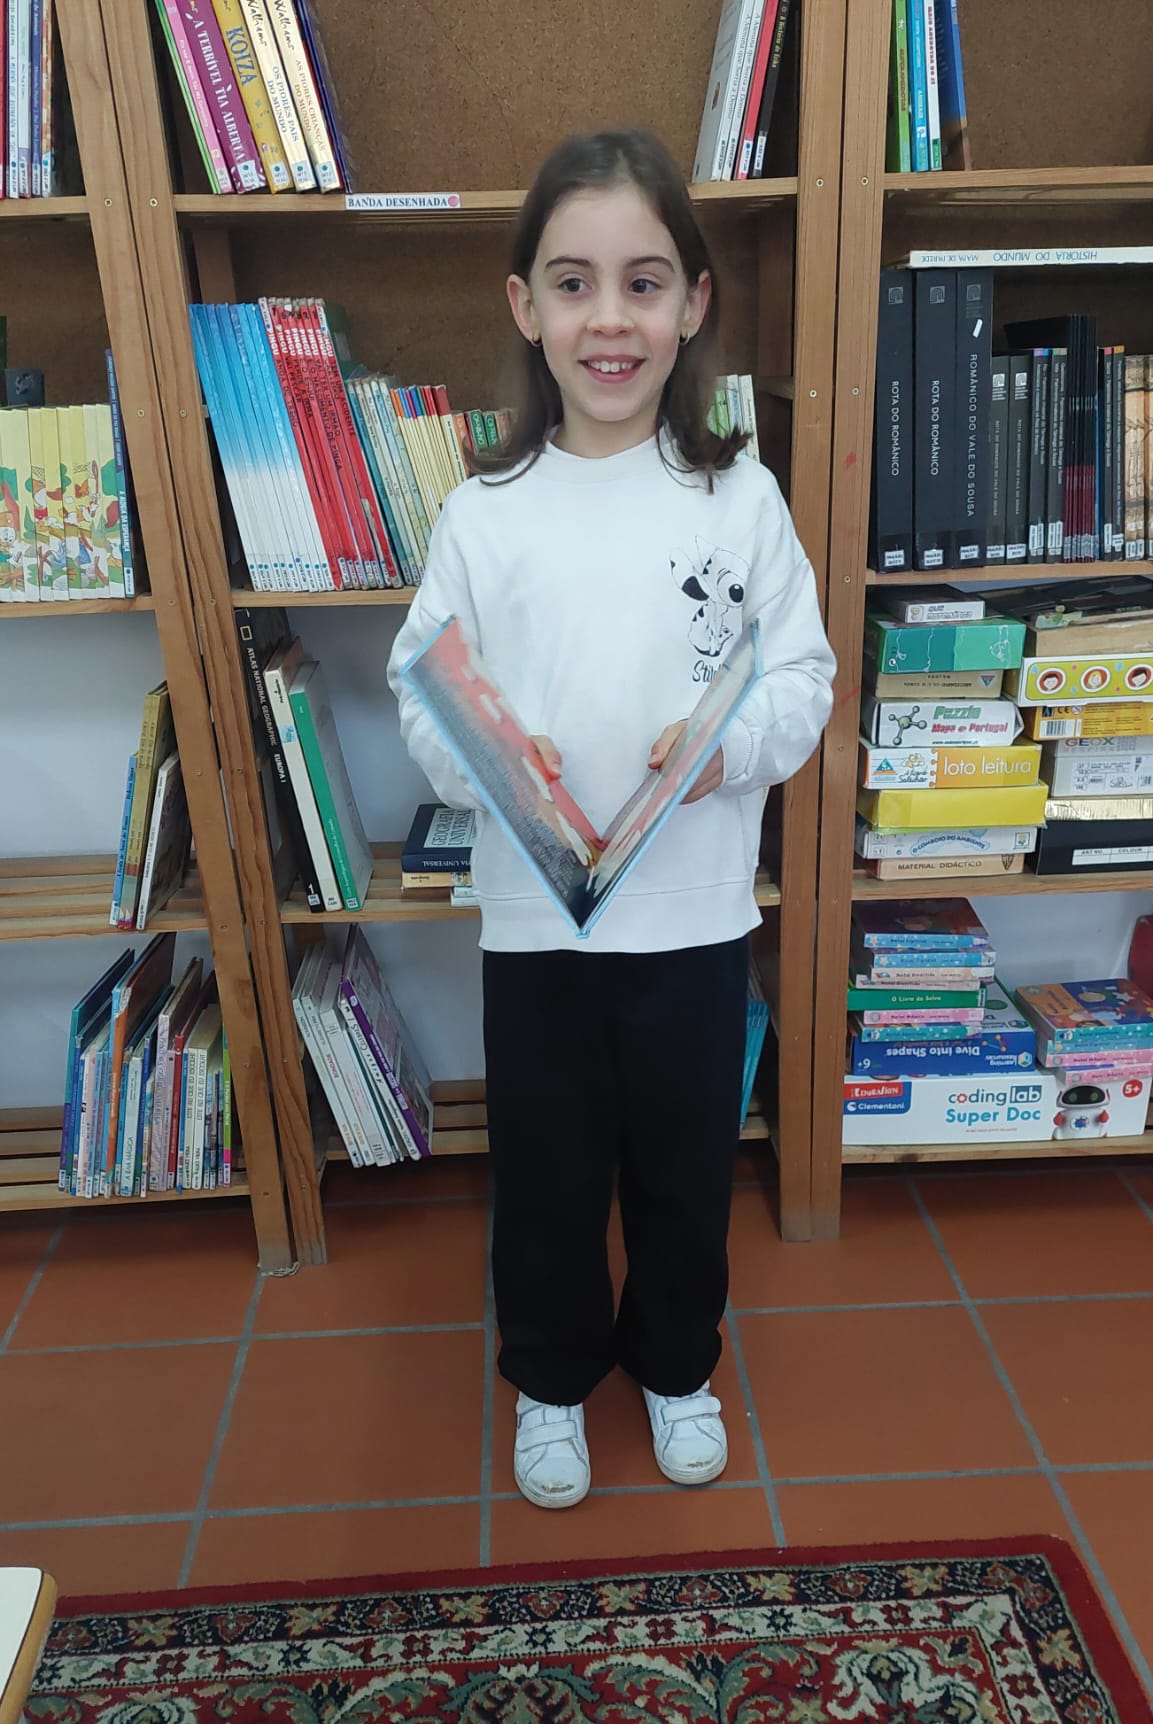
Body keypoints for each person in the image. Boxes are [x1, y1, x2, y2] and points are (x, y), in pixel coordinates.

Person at [388, 128, 835, 1511]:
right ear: (524, 306)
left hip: (693, 917)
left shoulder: (737, 498)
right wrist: (486, 758)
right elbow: (420, 688)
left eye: (643, 284)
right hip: (538, 926)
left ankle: (678, 1364)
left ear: (693, 304)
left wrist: (721, 753)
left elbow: (803, 679)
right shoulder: (483, 512)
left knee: (685, 1169)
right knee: (547, 1175)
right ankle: (550, 1378)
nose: (609, 319)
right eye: (573, 284)